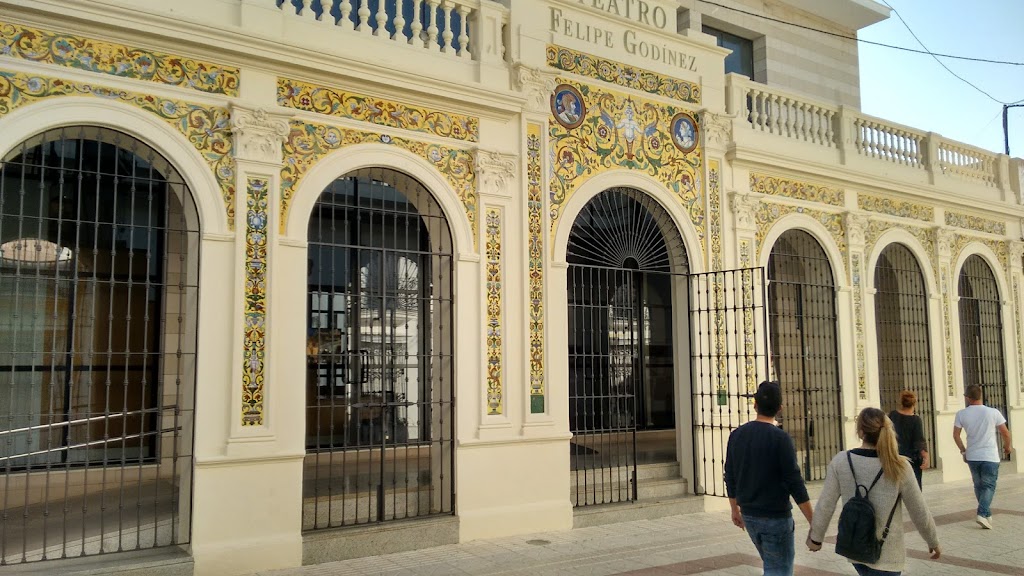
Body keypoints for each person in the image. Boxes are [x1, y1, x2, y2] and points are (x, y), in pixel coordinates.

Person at [807, 407, 941, 575]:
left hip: (855, 549)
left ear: (860, 432)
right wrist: (933, 541)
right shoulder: (899, 466)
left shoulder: (841, 461)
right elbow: (919, 509)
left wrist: (816, 538)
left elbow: (825, 504)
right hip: (888, 554)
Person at [725, 380, 812, 576]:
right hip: (775, 517)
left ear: (755, 404)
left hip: (749, 514)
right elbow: (794, 482)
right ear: (780, 408)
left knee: (772, 565)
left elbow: (729, 475)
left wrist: (734, 508)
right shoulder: (781, 439)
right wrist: (813, 521)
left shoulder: (737, 435)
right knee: (779, 570)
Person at [953, 384, 1013, 529]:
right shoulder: (993, 412)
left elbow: (956, 435)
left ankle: (986, 514)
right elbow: (1005, 432)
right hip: (990, 455)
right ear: (980, 396)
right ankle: (982, 513)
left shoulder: (961, 414)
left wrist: (963, 450)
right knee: (989, 485)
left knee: (979, 485)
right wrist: (1007, 446)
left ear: (968, 398)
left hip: (973, 455)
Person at [888, 390, 928, 489]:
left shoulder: (892, 415)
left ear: (901, 402)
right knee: (914, 489)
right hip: (911, 459)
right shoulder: (915, 420)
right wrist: (926, 457)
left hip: (894, 456)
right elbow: (919, 441)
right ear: (914, 403)